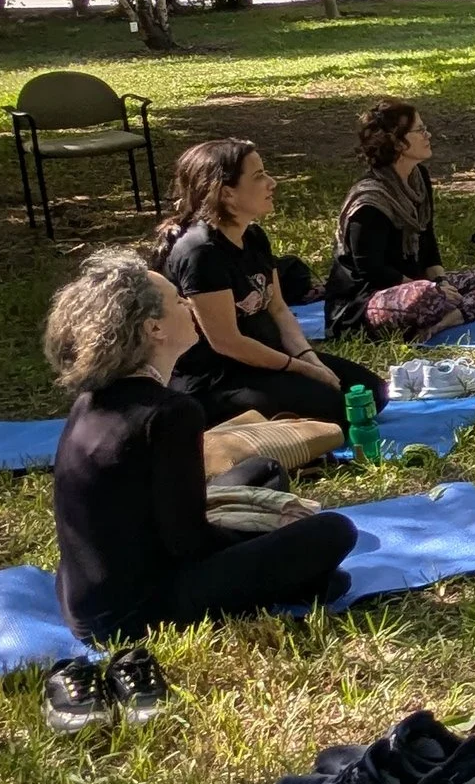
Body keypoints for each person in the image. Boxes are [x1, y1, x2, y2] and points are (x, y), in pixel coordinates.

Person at [47, 248, 357, 642]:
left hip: (84, 596)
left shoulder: (92, 398)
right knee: (334, 531)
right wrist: (265, 533)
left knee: (263, 470)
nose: (189, 305)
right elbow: (189, 543)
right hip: (138, 612)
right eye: (178, 301)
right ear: (154, 329)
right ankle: (296, 580)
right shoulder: (171, 413)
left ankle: (298, 580)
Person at [155, 140, 385, 428]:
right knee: (338, 408)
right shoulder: (201, 253)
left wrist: (309, 358)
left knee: (371, 392)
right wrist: (299, 368)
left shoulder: (253, 236)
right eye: (258, 176)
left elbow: (277, 308)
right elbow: (227, 342)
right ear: (226, 193)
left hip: (267, 359)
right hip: (218, 379)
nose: (272, 182)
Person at [323, 100, 475, 339]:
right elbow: (370, 270)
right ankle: (440, 311)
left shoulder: (418, 178)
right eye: (420, 130)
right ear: (396, 142)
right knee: (430, 297)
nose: (428, 135)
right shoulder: (369, 202)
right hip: (363, 303)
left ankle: (443, 323)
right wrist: (427, 289)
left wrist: (441, 282)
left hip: (418, 284)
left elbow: (427, 239)